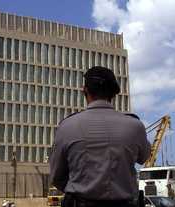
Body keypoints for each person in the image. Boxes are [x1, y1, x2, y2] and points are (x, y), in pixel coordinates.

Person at [49, 66, 151, 207]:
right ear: (113, 93)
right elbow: (144, 157)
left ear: (85, 90)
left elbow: (56, 176)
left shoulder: (67, 126)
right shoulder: (135, 125)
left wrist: (80, 188)